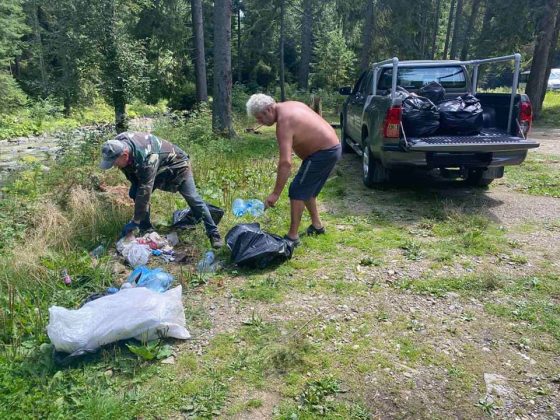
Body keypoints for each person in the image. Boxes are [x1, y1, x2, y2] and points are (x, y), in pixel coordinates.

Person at [99, 132, 223, 248]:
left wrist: (135, 220)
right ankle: (146, 229)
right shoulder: (117, 145)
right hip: (158, 167)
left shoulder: (147, 157)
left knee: (192, 198)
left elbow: (144, 190)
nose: (115, 166)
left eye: (115, 163)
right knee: (135, 193)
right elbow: (134, 176)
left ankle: (214, 234)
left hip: (178, 166)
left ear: (125, 155)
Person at [246, 94, 341, 245]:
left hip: (322, 153)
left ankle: (292, 237)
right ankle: (317, 226)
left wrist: (275, 194)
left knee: (297, 190)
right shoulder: (291, 104)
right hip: (331, 148)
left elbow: (285, 163)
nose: (260, 122)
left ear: (269, 109)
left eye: (260, 118)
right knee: (306, 189)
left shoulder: (284, 122)